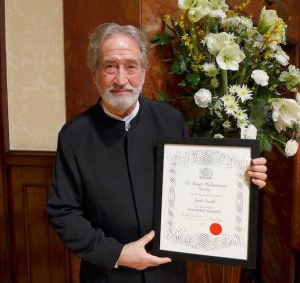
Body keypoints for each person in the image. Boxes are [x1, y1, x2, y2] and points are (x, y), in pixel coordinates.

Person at [47, 23, 267, 283]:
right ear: (94, 73)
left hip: (168, 273)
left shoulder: (171, 121)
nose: (121, 79)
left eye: (131, 66)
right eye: (109, 66)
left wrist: (243, 178)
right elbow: (63, 212)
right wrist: (117, 253)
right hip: (107, 274)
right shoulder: (74, 135)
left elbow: (198, 187)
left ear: (143, 71)